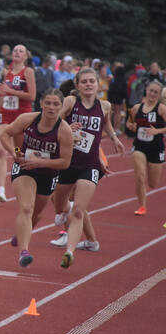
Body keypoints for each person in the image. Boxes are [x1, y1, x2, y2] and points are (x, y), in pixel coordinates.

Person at [51, 67, 125, 268]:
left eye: (92, 81)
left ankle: (69, 252)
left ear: (98, 84)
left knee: (78, 210)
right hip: (67, 162)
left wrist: (115, 138)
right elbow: (53, 121)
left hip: (90, 164)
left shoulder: (105, 105)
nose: (88, 84)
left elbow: (106, 123)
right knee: (59, 203)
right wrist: (67, 129)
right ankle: (64, 212)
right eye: (84, 81)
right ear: (77, 85)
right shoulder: (71, 102)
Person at [0, 89, 73, 267]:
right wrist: (15, 152)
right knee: (26, 207)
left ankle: (22, 232)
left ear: (61, 106)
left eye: (56, 104)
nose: (51, 107)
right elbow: (5, 134)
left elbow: (65, 162)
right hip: (24, 168)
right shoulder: (27, 119)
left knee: (36, 213)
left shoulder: (64, 131)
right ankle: (24, 252)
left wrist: (39, 162)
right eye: (48, 103)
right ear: (41, 104)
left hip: (48, 174)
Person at [0, 44, 36, 202]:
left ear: (25, 56)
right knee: (0, 150)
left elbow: (32, 96)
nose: (17, 52)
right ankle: (1, 189)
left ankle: (27, 181)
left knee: (19, 151)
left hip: (21, 116)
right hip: (5, 115)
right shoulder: (6, 72)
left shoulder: (28, 72)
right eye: (15, 50)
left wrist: (10, 91)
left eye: (20, 51)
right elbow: (3, 93)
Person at [126, 80, 166, 215]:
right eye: (151, 91)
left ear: (159, 95)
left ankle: (151, 170)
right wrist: (131, 126)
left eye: (156, 92)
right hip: (140, 147)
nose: (153, 94)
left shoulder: (161, 109)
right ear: (146, 91)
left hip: (156, 148)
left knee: (153, 183)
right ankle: (142, 206)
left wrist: (157, 131)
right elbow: (129, 122)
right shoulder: (136, 108)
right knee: (140, 176)